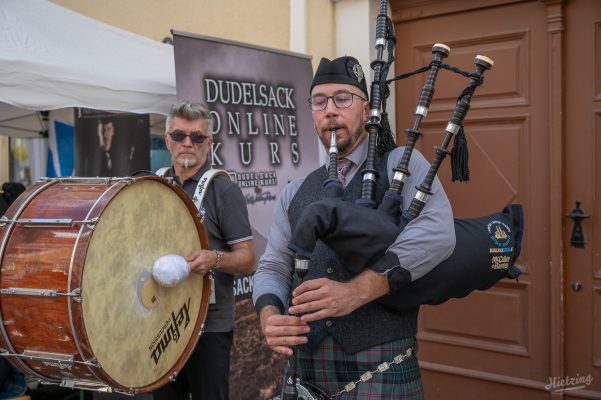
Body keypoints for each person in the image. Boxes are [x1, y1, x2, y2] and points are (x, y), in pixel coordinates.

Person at [252, 56, 456, 399]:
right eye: (319, 101)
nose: (330, 110)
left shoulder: (399, 166)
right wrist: (269, 314)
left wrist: (358, 290)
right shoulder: (295, 190)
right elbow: (274, 264)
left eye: (342, 98)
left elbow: (437, 233)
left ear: (366, 111)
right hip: (307, 367)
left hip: (382, 366)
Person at [153, 100, 256, 400]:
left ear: (208, 143)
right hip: (158, 324)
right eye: (179, 135)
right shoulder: (154, 184)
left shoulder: (224, 190)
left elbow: (248, 260)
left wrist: (215, 258)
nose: (188, 143)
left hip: (208, 328)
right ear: (167, 141)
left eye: (197, 137)